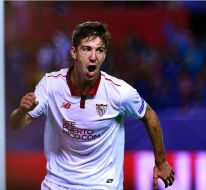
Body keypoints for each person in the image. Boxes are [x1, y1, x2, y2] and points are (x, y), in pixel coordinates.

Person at [10, 21, 175, 190]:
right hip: (58, 184)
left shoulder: (118, 92)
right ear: (74, 52)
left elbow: (149, 115)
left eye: (100, 50)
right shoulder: (51, 85)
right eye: (87, 49)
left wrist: (161, 162)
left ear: (104, 55)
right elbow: (17, 123)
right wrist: (21, 111)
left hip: (102, 184)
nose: (93, 56)